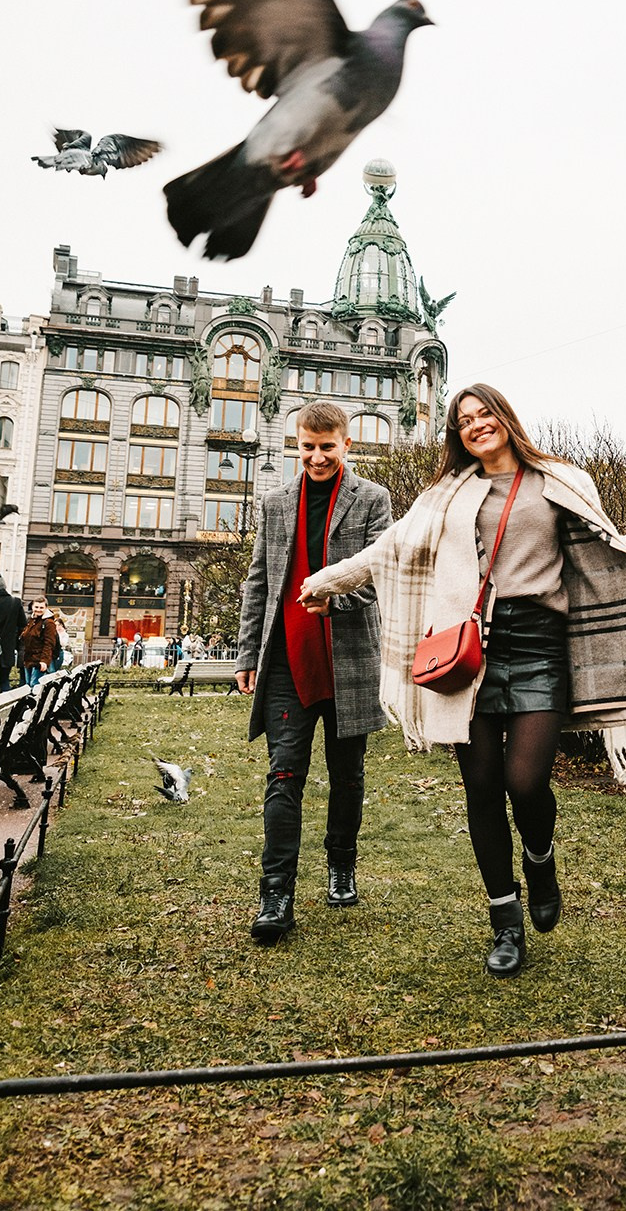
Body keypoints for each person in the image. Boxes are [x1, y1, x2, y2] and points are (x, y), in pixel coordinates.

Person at [299, 384, 626, 978]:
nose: (477, 426)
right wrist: (329, 580)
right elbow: (391, 548)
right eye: (464, 421)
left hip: (540, 645)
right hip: (469, 650)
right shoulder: (446, 493)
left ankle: (540, 857)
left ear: (506, 418)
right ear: (457, 435)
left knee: (526, 779)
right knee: (482, 787)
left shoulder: (561, 479)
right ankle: (505, 920)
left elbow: (602, 538)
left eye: (485, 415)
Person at [235, 400, 393, 944]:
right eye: (308, 446)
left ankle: (341, 867)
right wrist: (247, 656)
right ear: (296, 445)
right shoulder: (276, 503)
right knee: (284, 774)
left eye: (328, 447)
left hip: (349, 658)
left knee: (347, 775)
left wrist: (338, 603)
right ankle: (275, 894)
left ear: (347, 445)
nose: (317, 456)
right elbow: (258, 582)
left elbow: (381, 574)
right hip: (286, 659)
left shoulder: (373, 499)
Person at [0, 574, 25, 692]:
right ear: (5, 587)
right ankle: (6, 708)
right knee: (5, 681)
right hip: (7, 647)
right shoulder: (15, 602)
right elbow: (23, 623)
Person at [19, 597, 60, 687]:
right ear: (32, 607)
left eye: (41, 607)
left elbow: (49, 644)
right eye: (36, 607)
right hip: (28, 659)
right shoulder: (32, 620)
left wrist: (44, 661)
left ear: (46, 608)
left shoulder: (49, 623)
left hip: (39, 660)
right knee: (28, 687)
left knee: (35, 686)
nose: (38, 610)